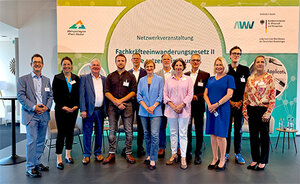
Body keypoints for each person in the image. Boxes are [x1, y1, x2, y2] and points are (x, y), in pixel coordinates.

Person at [17, 54, 53, 178]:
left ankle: (37, 162)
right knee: (32, 141)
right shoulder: (23, 79)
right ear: (31, 64)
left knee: (41, 141)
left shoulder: (47, 80)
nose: (37, 64)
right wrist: (34, 107)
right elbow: (21, 97)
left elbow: (50, 96)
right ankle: (30, 167)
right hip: (31, 114)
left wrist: (46, 107)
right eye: (35, 62)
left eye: (39, 62)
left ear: (42, 64)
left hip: (44, 114)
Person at [242, 55, 275, 171]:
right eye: (258, 62)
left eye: (262, 62)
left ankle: (263, 161)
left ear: (265, 64)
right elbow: (245, 95)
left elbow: (272, 97)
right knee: (253, 137)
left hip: (263, 110)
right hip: (252, 110)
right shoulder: (250, 78)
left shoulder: (269, 78)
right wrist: (244, 111)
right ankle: (255, 159)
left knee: (264, 137)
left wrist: (268, 113)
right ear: (255, 64)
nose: (260, 64)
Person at [103, 54, 137, 164]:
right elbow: (107, 92)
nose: (120, 62)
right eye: (118, 60)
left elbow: (133, 92)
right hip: (113, 107)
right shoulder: (110, 76)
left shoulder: (131, 76)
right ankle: (111, 153)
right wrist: (116, 102)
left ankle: (128, 153)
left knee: (128, 131)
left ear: (126, 62)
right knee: (112, 131)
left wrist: (121, 101)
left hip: (127, 106)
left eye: (122, 60)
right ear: (115, 62)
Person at [204, 57, 235, 172]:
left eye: (221, 65)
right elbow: (205, 94)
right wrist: (209, 105)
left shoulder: (229, 78)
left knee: (221, 135)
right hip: (211, 110)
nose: (218, 67)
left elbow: (229, 95)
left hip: (222, 110)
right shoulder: (211, 79)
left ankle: (222, 159)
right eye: (216, 65)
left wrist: (216, 104)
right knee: (212, 134)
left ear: (224, 66)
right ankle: (215, 158)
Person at [164, 58, 193, 170]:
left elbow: (190, 94)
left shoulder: (188, 79)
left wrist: (181, 105)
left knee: (183, 133)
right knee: (173, 133)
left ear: (184, 67)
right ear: (173, 66)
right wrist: (173, 106)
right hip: (171, 110)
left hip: (184, 110)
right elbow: (165, 95)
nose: (178, 67)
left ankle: (183, 157)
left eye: (180, 65)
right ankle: (173, 154)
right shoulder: (168, 80)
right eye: (176, 65)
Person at [52, 56, 80, 170]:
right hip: (61, 110)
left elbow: (78, 93)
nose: (67, 66)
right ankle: (59, 159)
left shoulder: (76, 78)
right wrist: (63, 107)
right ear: (62, 66)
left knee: (70, 133)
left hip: (73, 110)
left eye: (68, 64)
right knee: (61, 134)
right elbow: (55, 95)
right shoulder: (57, 78)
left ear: (71, 66)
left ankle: (68, 155)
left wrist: (76, 106)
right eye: (64, 64)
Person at [137, 59, 164, 170]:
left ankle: (153, 158)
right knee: (147, 134)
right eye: (147, 66)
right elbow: (139, 96)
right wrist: (146, 107)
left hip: (156, 111)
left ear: (154, 67)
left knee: (155, 135)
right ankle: (148, 154)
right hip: (143, 111)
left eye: (151, 66)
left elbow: (160, 95)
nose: (149, 68)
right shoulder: (142, 80)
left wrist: (152, 107)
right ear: (145, 67)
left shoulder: (159, 79)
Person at [79, 58, 106, 165]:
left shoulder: (104, 79)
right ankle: (86, 155)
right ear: (90, 67)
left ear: (100, 67)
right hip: (89, 111)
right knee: (87, 133)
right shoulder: (84, 78)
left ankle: (98, 153)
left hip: (100, 111)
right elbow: (81, 95)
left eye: (97, 65)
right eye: (93, 65)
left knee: (99, 132)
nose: (95, 67)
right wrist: (83, 110)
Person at [226, 46, 250, 164]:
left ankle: (237, 153)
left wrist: (240, 102)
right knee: (227, 129)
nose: (236, 55)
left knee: (238, 130)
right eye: (234, 53)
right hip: (227, 104)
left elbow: (248, 89)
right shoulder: (226, 69)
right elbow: (223, 88)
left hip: (240, 104)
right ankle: (225, 153)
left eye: (238, 54)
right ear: (230, 55)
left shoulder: (245, 70)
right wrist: (230, 102)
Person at [184, 54, 210, 164]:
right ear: (190, 62)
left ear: (200, 62)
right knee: (187, 130)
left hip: (199, 106)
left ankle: (198, 153)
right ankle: (188, 152)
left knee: (199, 130)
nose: (195, 62)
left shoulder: (205, 75)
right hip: (187, 107)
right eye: (193, 60)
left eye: (197, 60)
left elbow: (206, 90)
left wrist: (197, 96)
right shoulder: (185, 75)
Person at [155, 53, 174, 157]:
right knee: (161, 126)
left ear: (171, 60)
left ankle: (177, 147)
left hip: (174, 105)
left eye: (168, 59)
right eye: (164, 59)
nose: (166, 61)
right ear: (161, 61)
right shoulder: (157, 74)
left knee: (174, 126)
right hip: (161, 104)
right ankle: (161, 147)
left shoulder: (177, 72)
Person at [128, 53, 147, 157]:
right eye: (134, 59)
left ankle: (140, 146)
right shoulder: (127, 73)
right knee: (128, 124)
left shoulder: (145, 72)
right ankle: (128, 146)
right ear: (131, 60)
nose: (135, 60)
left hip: (141, 102)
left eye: (137, 59)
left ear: (140, 60)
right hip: (130, 102)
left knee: (141, 125)